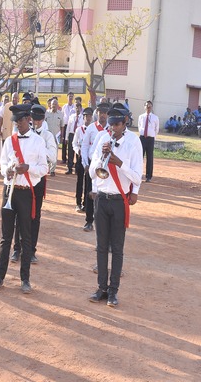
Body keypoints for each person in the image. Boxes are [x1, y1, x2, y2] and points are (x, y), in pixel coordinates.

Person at [88, 104, 142, 308]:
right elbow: (92, 172)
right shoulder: (103, 138)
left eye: (117, 125)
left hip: (119, 200)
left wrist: (119, 163)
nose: (113, 129)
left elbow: (137, 176)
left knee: (117, 248)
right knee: (101, 246)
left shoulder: (133, 142)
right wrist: (101, 160)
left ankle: (113, 291)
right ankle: (101, 288)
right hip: (102, 199)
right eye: (111, 125)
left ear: (125, 122)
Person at [0, 104, 47, 294]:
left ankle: (25, 279)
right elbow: (3, 163)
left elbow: (44, 168)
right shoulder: (9, 141)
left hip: (26, 192)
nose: (17, 125)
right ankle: (0, 277)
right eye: (15, 121)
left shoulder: (38, 141)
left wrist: (28, 168)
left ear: (28, 119)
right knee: (5, 237)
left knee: (26, 237)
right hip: (9, 191)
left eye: (20, 121)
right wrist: (7, 170)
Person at [8, 104, 58, 264]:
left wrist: (38, 147)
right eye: (33, 119)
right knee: (18, 214)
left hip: (37, 178)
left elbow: (53, 157)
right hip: (21, 178)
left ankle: (31, 250)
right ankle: (17, 249)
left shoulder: (47, 136)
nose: (35, 122)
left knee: (34, 215)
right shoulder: (21, 132)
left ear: (43, 119)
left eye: (38, 120)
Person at [82, 103, 110, 231]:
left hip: (107, 167)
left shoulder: (111, 129)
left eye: (105, 113)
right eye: (100, 112)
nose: (102, 115)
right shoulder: (91, 128)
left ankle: (103, 222)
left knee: (104, 193)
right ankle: (89, 221)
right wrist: (86, 164)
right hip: (92, 165)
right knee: (90, 193)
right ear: (96, 113)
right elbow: (85, 146)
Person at [73, 107, 93, 213]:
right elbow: (74, 143)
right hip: (80, 157)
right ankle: (78, 203)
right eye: (86, 116)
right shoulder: (79, 130)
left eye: (90, 116)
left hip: (90, 158)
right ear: (83, 117)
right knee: (79, 181)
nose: (88, 118)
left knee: (88, 181)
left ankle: (86, 204)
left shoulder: (93, 130)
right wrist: (78, 151)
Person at [138, 100, 159, 183]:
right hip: (142, 138)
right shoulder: (141, 117)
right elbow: (139, 126)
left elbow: (156, 129)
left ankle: (148, 176)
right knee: (140, 157)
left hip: (150, 139)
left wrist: (152, 134)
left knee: (149, 157)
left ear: (152, 107)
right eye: (147, 106)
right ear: (144, 107)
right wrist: (142, 133)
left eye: (150, 106)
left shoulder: (155, 118)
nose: (148, 107)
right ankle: (138, 174)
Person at [44, 98, 63, 176]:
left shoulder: (60, 114)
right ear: (50, 105)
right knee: (46, 152)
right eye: (53, 104)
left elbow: (62, 126)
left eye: (55, 104)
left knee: (55, 153)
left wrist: (61, 136)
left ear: (57, 105)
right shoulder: (46, 113)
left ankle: (52, 170)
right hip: (47, 137)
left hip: (56, 137)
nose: (54, 106)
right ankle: (47, 168)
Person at [65, 102, 83, 174]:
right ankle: (69, 168)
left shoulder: (83, 117)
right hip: (71, 134)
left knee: (78, 152)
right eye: (76, 107)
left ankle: (77, 169)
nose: (77, 109)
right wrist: (66, 138)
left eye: (78, 107)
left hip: (79, 136)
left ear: (81, 108)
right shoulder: (71, 116)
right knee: (70, 152)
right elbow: (68, 127)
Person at [61, 92, 76, 163]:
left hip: (72, 127)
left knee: (71, 143)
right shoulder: (64, 107)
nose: (70, 98)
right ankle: (64, 159)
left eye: (72, 96)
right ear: (67, 97)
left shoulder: (74, 107)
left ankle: (71, 160)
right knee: (64, 142)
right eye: (69, 96)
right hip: (65, 125)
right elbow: (62, 116)